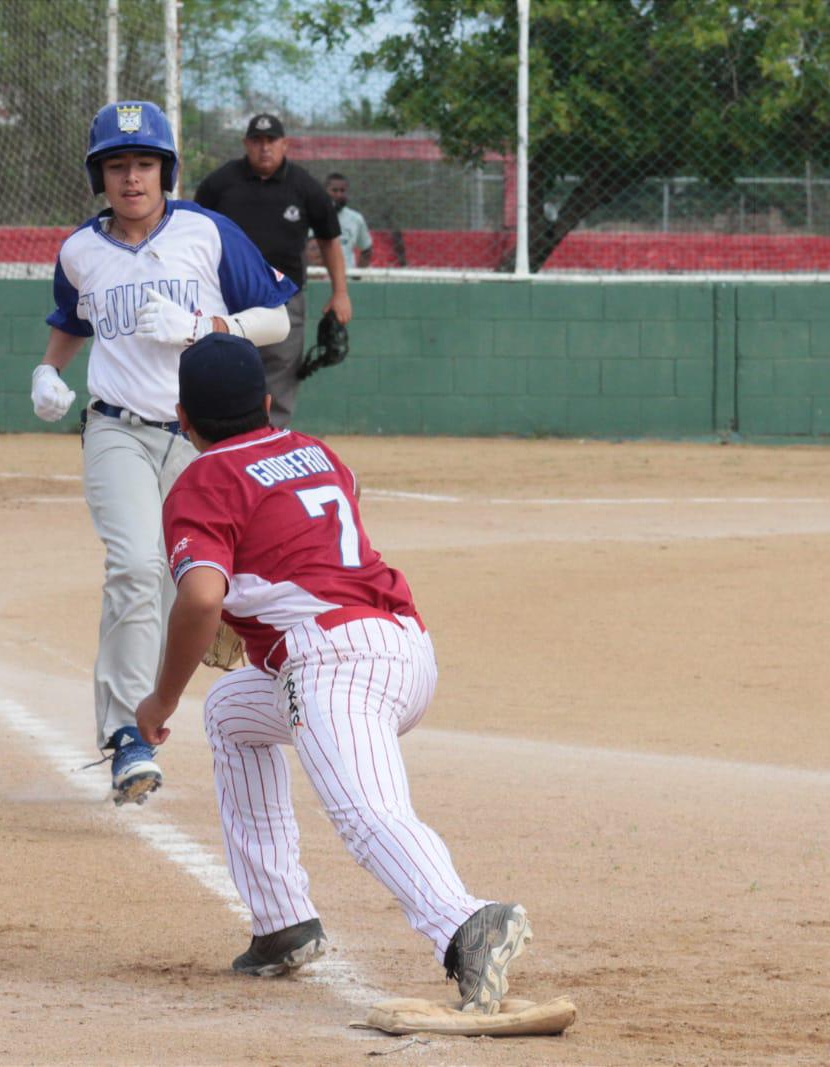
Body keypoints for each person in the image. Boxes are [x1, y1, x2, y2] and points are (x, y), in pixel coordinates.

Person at [134, 333, 532, 1010]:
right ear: (266, 402)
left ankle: (466, 922)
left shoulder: (201, 478)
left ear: (183, 418)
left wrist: (159, 701)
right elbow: (297, 545)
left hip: (335, 665)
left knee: (367, 813)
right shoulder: (316, 452)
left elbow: (201, 597)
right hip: (404, 648)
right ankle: (280, 921)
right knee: (232, 713)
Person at [32, 101, 297, 805]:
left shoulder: (207, 233)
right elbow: (70, 321)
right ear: (100, 175)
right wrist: (48, 371)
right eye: (117, 165)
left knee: (189, 582)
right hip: (115, 427)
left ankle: (255, 665)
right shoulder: (80, 250)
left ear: (165, 170)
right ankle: (127, 736)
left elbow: (274, 318)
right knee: (136, 564)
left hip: (197, 437)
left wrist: (205, 324)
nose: (131, 178)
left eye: (144, 163)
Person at [194, 114, 351, 428]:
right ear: (246, 144)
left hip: (284, 299)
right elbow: (195, 236)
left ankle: (271, 444)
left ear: (284, 144)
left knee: (280, 374)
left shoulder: (305, 187)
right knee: (227, 370)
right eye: (257, 141)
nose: (264, 148)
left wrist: (340, 293)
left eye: (271, 141)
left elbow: (330, 240)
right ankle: (227, 444)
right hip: (228, 298)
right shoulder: (220, 184)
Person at [326, 172, 373, 269]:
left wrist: (357, 276)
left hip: (346, 275)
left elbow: (366, 249)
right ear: (325, 191)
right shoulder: (313, 216)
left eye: (342, 191)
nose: (339, 194)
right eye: (334, 190)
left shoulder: (355, 218)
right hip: (318, 276)